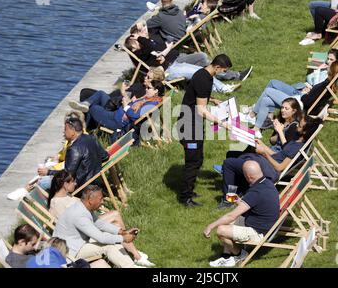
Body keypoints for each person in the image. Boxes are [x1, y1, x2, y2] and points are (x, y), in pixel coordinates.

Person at [47, 170, 155, 267]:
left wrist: (122, 232)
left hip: (78, 244)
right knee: (108, 245)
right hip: (70, 251)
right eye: (100, 199)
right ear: (90, 200)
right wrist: (123, 239)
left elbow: (99, 223)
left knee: (111, 244)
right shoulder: (79, 215)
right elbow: (101, 238)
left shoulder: (82, 206)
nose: (102, 202)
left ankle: (132, 265)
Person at [217, 116, 322, 209]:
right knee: (232, 154)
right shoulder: (296, 142)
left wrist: (264, 154)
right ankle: (240, 189)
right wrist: (263, 145)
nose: (296, 125)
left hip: (270, 171)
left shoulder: (297, 149)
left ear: (304, 132)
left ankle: (229, 200)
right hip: (267, 164)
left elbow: (280, 167)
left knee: (228, 163)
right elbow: (277, 156)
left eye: (299, 125)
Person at [176, 54, 234, 207]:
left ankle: (190, 189)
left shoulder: (204, 74)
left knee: (199, 158)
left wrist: (213, 99)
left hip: (194, 123)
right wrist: (222, 123)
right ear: (217, 67)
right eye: (224, 70)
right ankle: (185, 198)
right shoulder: (203, 79)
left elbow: (199, 97)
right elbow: (201, 110)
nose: (224, 73)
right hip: (188, 126)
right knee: (192, 162)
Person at [125, 25, 252, 93]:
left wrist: (164, 51)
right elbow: (153, 48)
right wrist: (140, 40)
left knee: (203, 58)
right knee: (200, 71)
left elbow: (165, 46)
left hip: (177, 57)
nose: (146, 29)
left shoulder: (150, 39)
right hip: (170, 68)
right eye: (142, 29)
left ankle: (234, 76)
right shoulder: (140, 53)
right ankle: (223, 88)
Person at [241, 49, 338, 132]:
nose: (327, 63)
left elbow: (308, 101)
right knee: (266, 101)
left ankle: (252, 115)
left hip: (298, 104)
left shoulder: (324, 85)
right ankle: (256, 129)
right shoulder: (328, 83)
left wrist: (304, 94)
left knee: (268, 90)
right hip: (299, 100)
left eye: (330, 62)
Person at [204, 161, 280, 267]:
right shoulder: (266, 182)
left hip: (258, 233)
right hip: (265, 225)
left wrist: (210, 226)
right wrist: (238, 200)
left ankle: (240, 254)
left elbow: (231, 215)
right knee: (228, 223)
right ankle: (226, 257)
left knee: (221, 229)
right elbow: (253, 203)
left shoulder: (255, 192)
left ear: (248, 176)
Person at [37, 115, 109, 190]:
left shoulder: (74, 149)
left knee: (42, 183)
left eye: (65, 129)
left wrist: (48, 172)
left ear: (73, 131)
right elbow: (105, 156)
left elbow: (67, 175)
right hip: (94, 181)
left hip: (79, 185)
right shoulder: (92, 138)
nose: (63, 132)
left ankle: (54, 201)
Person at [68, 80, 165, 135]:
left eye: (149, 88)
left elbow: (135, 116)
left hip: (116, 122)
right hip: (116, 114)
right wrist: (128, 100)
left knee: (93, 108)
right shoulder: (148, 100)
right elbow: (134, 108)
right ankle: (86, 105)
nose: (146, 89)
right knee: (100, 94)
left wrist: (126, 106)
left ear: (156, 91)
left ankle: (82, 133)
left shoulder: (151, 104)